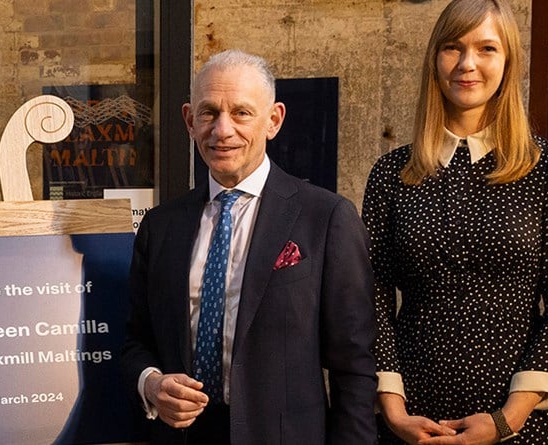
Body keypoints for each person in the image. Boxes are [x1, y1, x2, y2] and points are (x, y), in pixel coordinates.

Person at [119, 49, 377, 444]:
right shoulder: (160, 226)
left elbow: (354, 366)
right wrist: (150, 383)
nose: (222, 130)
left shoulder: (326, 218)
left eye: (241, 113)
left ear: (273, 120)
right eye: (208, 113)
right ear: (189, 120)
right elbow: (136, 340)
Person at [361, 1, 548, 443]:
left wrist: (508, 418)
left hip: (518, 418)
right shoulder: (392, 173)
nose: (468, 64)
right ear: (435, 59)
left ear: (508, 61)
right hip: (413, 419)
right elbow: (371, 297)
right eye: (453, 48)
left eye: (486, 49)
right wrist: (393, 410)